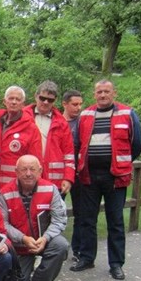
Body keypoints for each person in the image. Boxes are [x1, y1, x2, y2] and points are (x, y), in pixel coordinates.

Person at [70, 80, 141, 280]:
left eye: (106, 92)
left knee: (116, 221)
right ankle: (86, 257)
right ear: (94, 94)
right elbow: (77, 143)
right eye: (99, 92)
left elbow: (137, 144)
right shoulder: (85, 115)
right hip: (89, 175)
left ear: (114, 93)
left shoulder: (127, 114)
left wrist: (121, 164)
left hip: (115, 177)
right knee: (87, 219)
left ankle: (116, 264)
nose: (103, 95)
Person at [0, 155, 69, 281]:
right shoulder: (4, 193)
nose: (28, 173)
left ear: (40, 171)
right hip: (18, 247)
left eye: (32, 169)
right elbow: (1, 224)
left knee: (61, 245)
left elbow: (60, 219)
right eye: (23, 169)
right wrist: (22, 238)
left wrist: (45, 238)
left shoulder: (51, 189)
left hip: (42, 241)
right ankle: (26, 279)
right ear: (16, 172)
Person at [22, 81, 75, 195]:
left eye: (50, 100)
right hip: (25, 176)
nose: (45, 102)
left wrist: (68, 178)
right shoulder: (22, 116)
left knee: (53, 213)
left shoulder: (62, 123)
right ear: (36, 96)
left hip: (53, 181)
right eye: (42, 98)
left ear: (55, 101)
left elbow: (69, 153)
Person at [0, 86, 43, 188]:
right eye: (11, 98)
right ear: (4, 101)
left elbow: (35, 160)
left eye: (18, 99)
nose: (14, 102)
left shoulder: (31, 128)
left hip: (15, 186)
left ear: (23, 104)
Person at [62, 90, 84, 263]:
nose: (78, 108)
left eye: (80, 104)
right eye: (75, 104)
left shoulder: (83, 123)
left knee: (80, 213)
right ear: (65, 104)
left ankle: (77, 250)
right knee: (56, 213)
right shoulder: (57, 121)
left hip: (80, 174)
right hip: (59, 175)